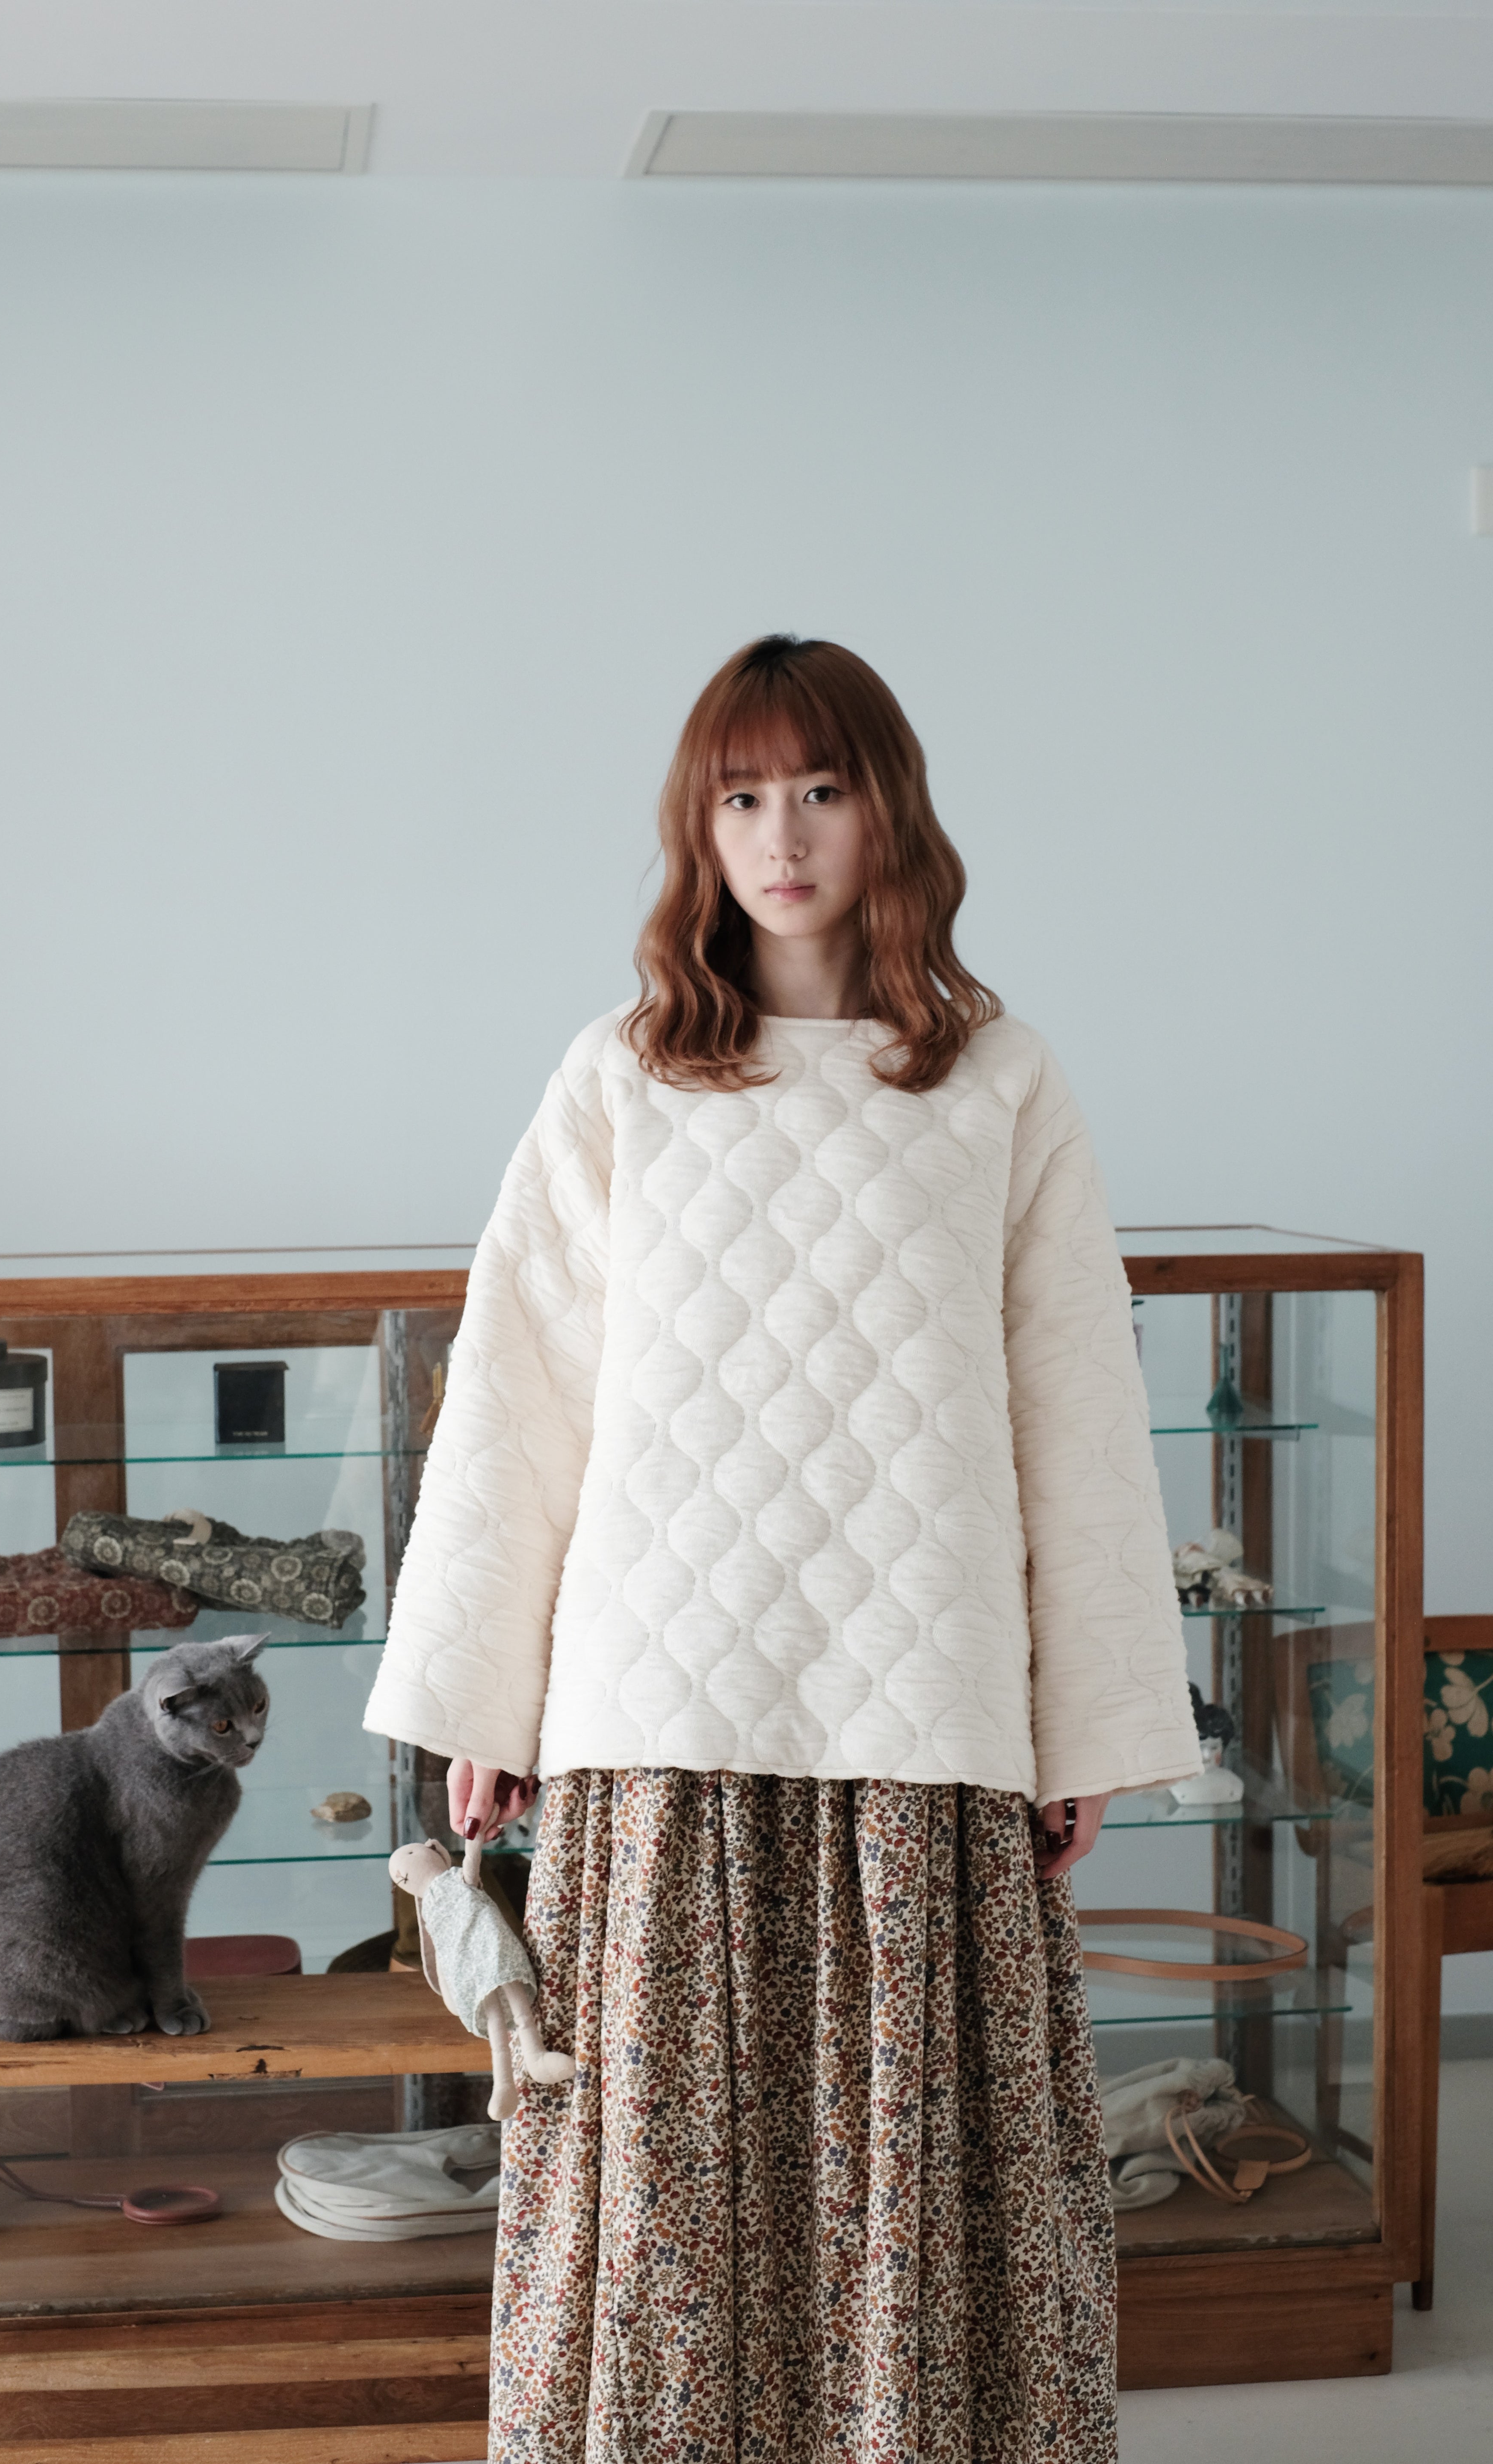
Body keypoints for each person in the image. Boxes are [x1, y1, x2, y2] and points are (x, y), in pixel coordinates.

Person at [365, 633, 1200, 2463]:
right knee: (658, 2178)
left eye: (821, 789)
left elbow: (1077, 1408)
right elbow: (518, 1392)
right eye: (743, 797)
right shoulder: (622, 1077)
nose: (785, 834)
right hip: (662, 1693)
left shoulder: (998, 1079)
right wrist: (482, 1699)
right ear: (701, 827)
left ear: (888, 809)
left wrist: (1088, 1723)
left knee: (929, 2175)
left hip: (928, 1704)